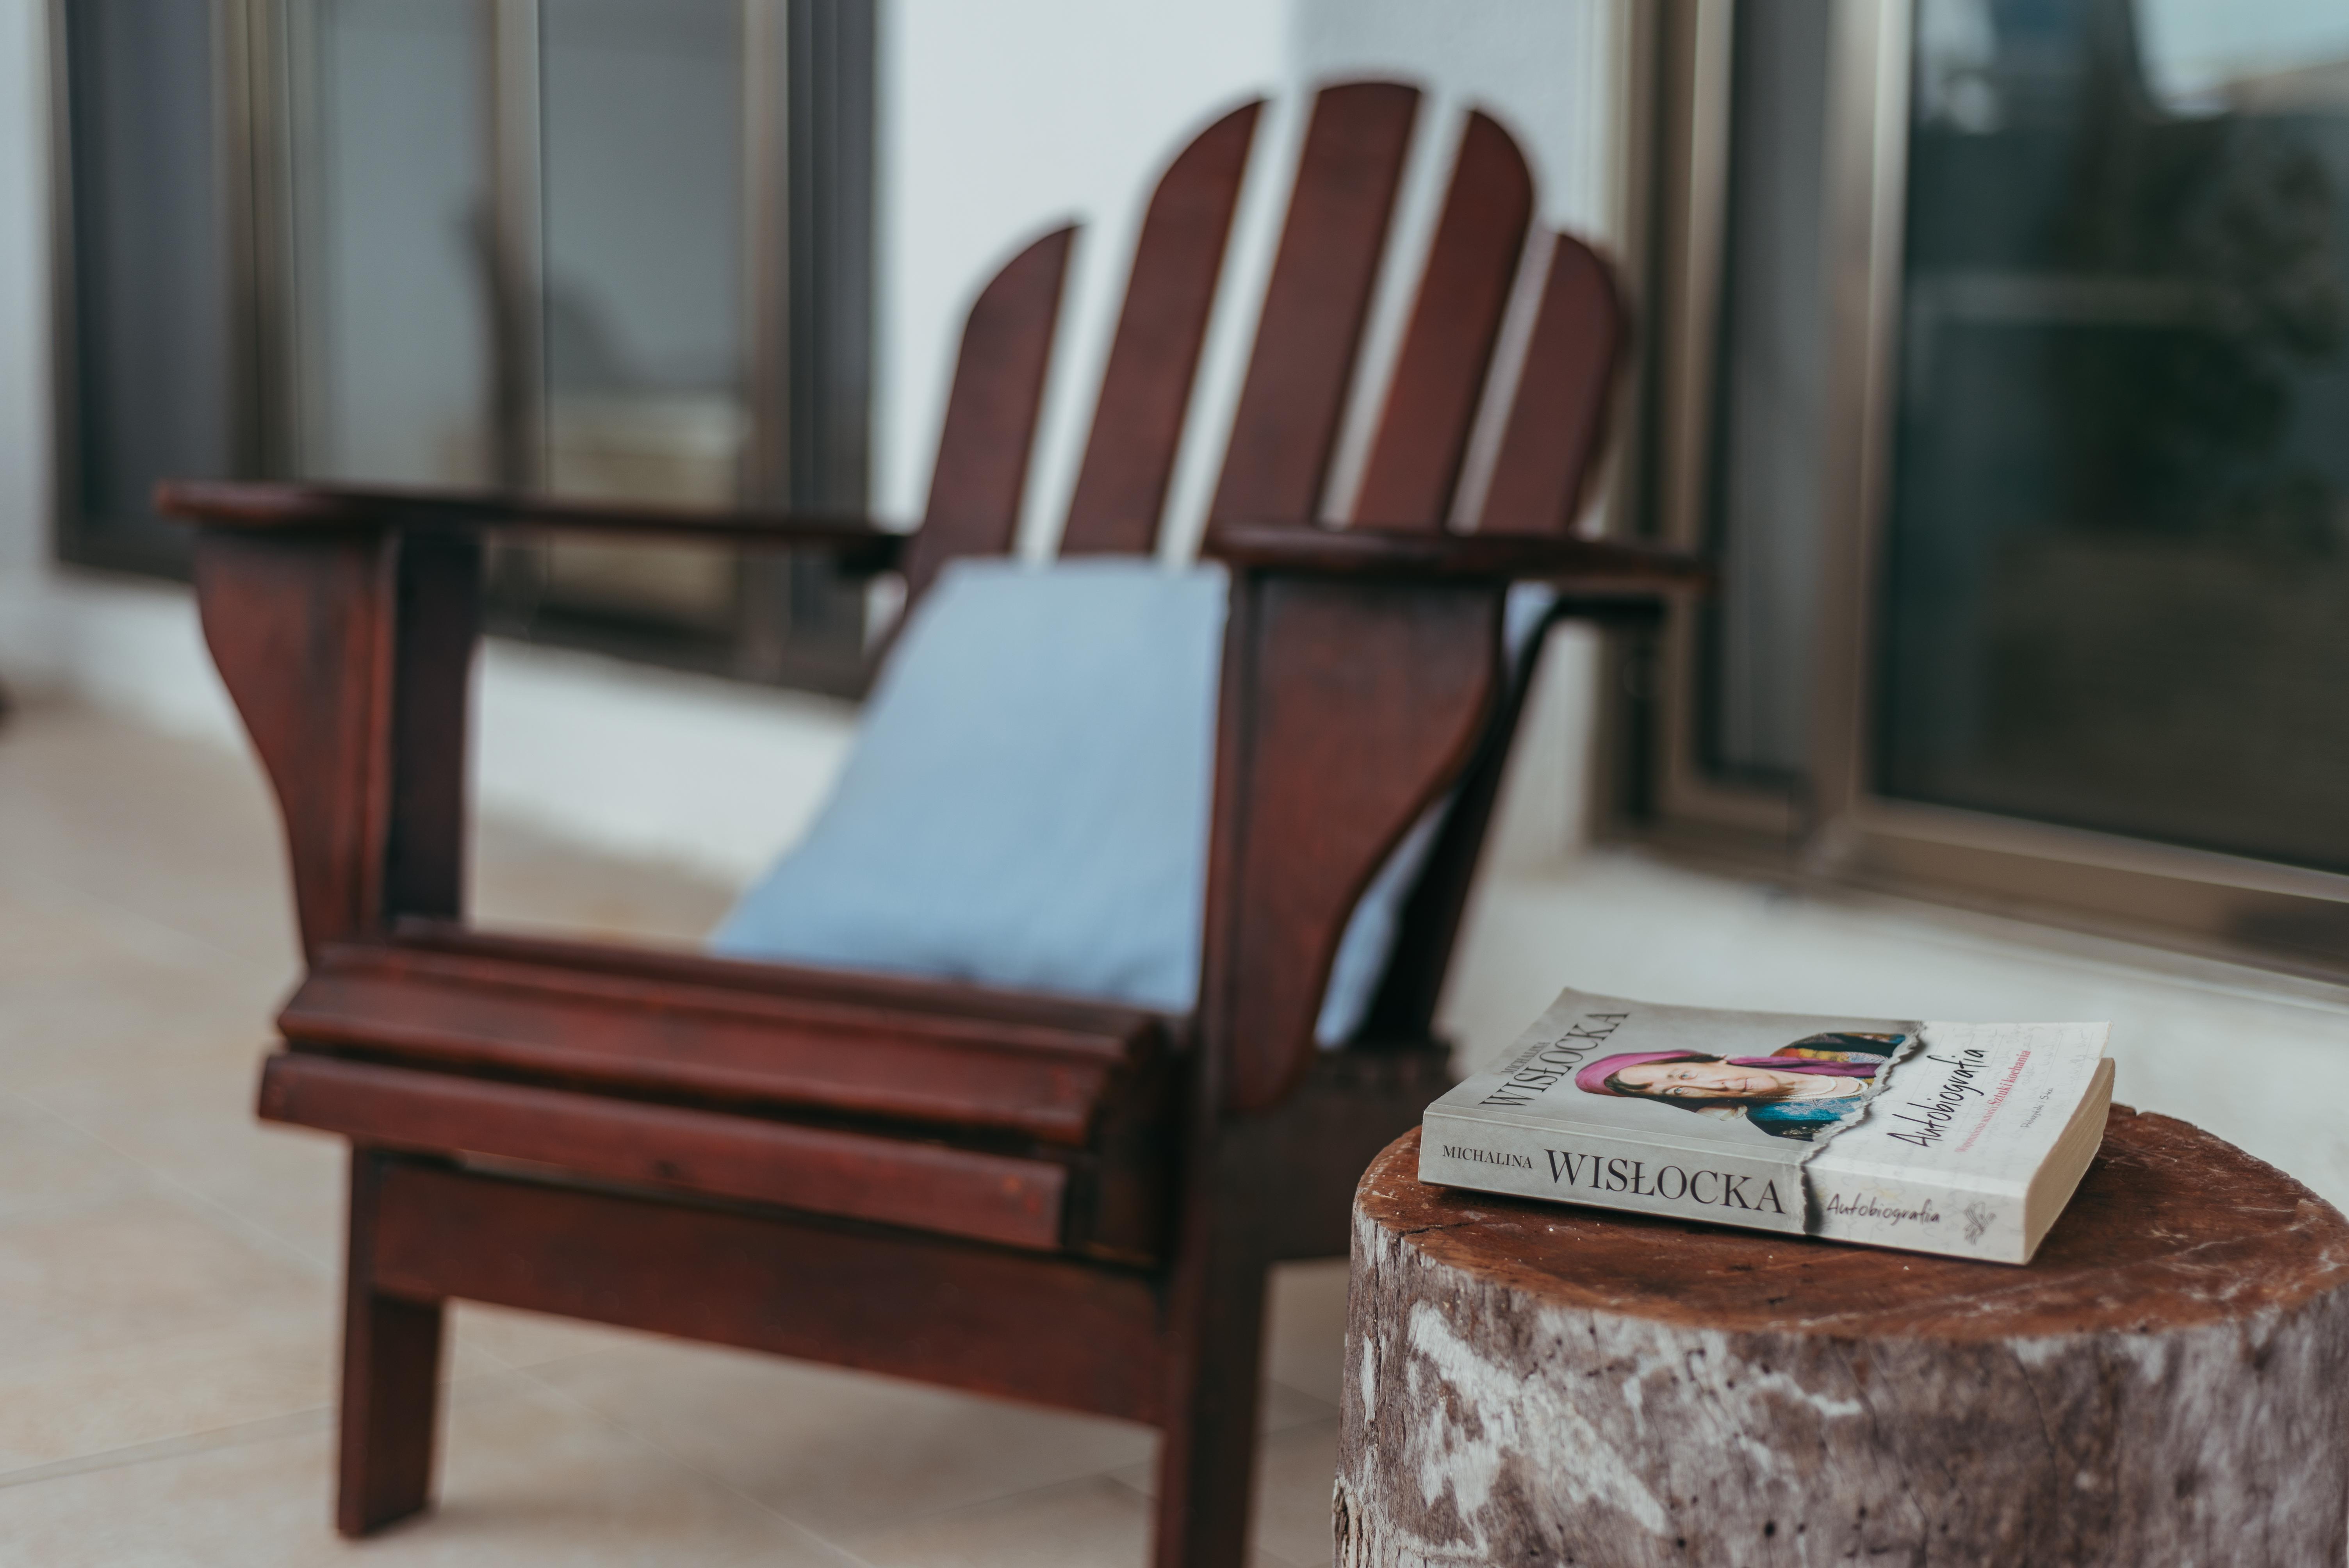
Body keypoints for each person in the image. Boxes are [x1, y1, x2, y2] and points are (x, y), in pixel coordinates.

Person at [1572, 1031, 1908, 1140]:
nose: (1715, 1086)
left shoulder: (1818, 1044)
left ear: (1713, 1059)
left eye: (1684, 1077)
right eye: (1676, 1092)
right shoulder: (1779, 1121)